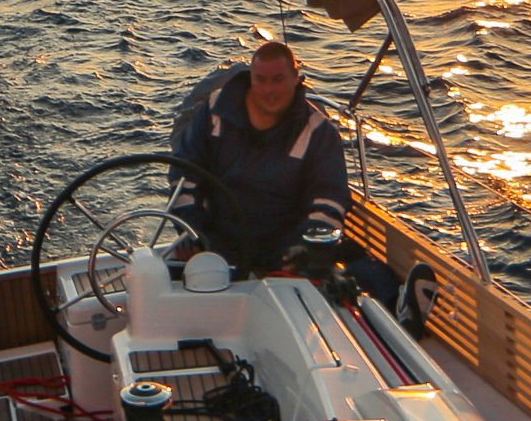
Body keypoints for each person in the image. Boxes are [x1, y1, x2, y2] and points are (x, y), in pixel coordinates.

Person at [169, 39, 404, 304]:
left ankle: (399, 305)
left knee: (362, 271)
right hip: (217, 250)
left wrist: (307, 246)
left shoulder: (319, 132)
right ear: (250, 78)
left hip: (286, 256)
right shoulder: (213, 113)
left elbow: (329, 197)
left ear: (296, 78)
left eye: (278, 80)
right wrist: (192, 233)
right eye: (261, 80)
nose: (269, 90)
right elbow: (184, 175)